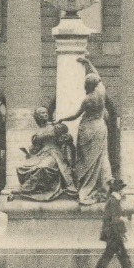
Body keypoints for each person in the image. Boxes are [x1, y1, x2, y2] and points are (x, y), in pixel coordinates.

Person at [56, 56, 113, 205]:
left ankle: (85, 188)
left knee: (87, 160)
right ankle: (104, 187)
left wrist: (62, 119)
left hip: (87, 129)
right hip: (100, 128)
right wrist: (88, 63)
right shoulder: (101, 93)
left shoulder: (87, 100)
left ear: (87, 85)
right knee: (101, 158)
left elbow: (75, 115)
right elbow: (98, 77)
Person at [8, 108, 80, 204]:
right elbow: (35, 149)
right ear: (37, 117)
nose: (45, 114)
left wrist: (67, 139)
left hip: (54, 154)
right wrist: (28, 153)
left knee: (43, 167)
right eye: (42, 113)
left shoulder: (56, 127)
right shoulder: (38, 133)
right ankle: (31, 188)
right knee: (22, 168)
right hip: (41, 155)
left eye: (46, 112)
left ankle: (25, 189)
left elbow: (67, 139)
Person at [88, 181, 134, 268]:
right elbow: (115, 220)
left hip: (113, 234)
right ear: (119, 190)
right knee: (122, 258)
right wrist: (122, 233)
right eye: (123, 189)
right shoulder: (113, 201)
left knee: (114, 257)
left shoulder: (113, 200)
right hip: (114, 235)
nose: (124, 192)